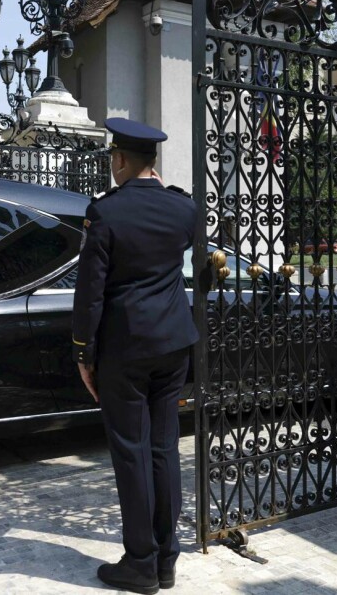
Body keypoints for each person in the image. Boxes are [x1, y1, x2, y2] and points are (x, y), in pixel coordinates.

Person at [72, 117, 199, 594]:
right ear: (154, 161)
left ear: (121, 160)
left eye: (112, 159)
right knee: (164, 449)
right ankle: (167, 559)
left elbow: (91, 292)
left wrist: (84, 352)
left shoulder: (105, 212)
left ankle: (140, 563)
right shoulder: (183, 209)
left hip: (125, 349)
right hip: (173, 343)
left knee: (131, 452)